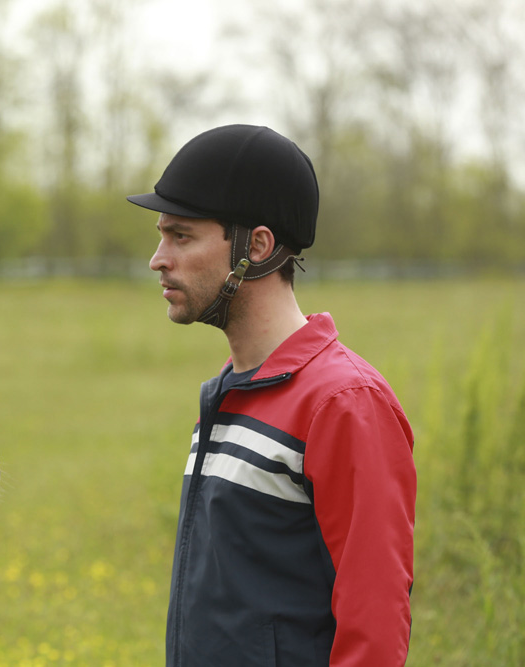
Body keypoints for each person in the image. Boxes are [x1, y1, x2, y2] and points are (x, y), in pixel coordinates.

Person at [127, 124, 416, 666]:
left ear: (255, 246)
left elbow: (374, 621)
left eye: (181, 236)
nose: (158, 258)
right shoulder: (231, 391)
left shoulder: (344, 403)